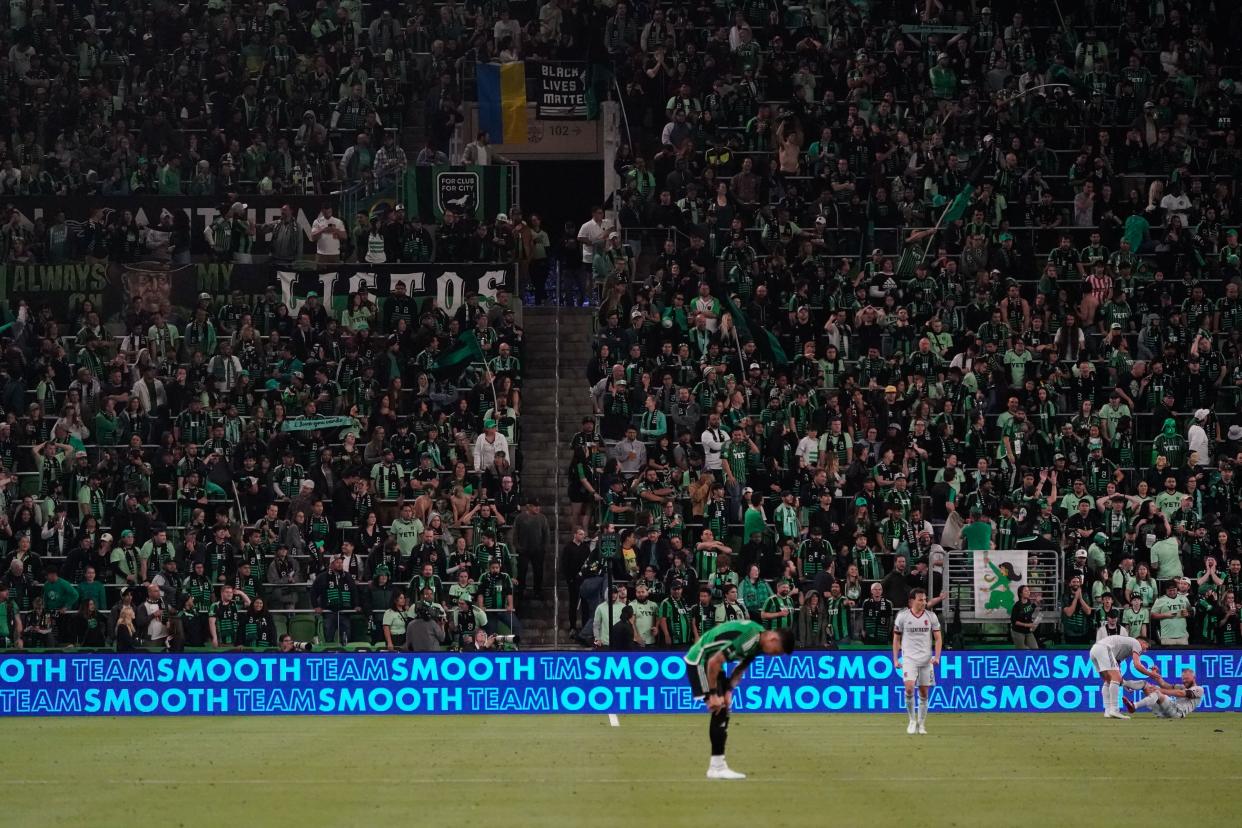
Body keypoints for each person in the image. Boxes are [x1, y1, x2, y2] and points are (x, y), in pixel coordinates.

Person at [683, 619, 796, 779]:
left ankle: (717, 767)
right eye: (776, 652)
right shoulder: (749, 638)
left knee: (724, 710)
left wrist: (729, 690)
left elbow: (740, 668)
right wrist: (713, 694)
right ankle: (717, 767)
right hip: (700, 660)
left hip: (712, 661)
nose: (773, 655)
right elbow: (715, 661)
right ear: (773, 639)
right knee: (718, 708)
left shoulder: (759, 642)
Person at [892, 588, 942, 735]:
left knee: (924, 693)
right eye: (920, 599)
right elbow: (896, 639)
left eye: (925, 599)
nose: (923, 602)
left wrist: (937, 656)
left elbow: (938, 638)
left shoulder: (931, 617)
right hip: (909, 659)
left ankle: (922, 724)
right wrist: (895, 659)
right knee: (909, 688)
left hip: (926, 660)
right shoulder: (902, 617)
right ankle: (912, 721)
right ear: (912, 600)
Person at [1088, 634, 1160, 719]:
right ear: (1142, 642)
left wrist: (1122, 683)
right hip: (1104, 649)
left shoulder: (1123, 649)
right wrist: (1150, 674)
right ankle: (1114, 710)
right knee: (1114, 679)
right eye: (1146, 647)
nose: (1145, 651)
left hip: (1094, 650)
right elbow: (1137, 665)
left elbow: (1117, 672)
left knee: (1108, 681)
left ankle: (1108, 711)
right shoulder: (1136, 643)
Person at [1121, 668, 1205, 718]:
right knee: (1145, 684)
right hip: (1164, 712)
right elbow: (1164, 685)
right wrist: (1156, 675)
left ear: (1194, 678)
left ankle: (1134, 706)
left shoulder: (1199, 689)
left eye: (1187, 678)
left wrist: (1160, 690)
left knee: (1157, 692)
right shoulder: (1182, 686)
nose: (1184, 680)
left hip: (1178, 712)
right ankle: (1122, 682)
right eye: (1183, 678)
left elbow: (1181, 693)